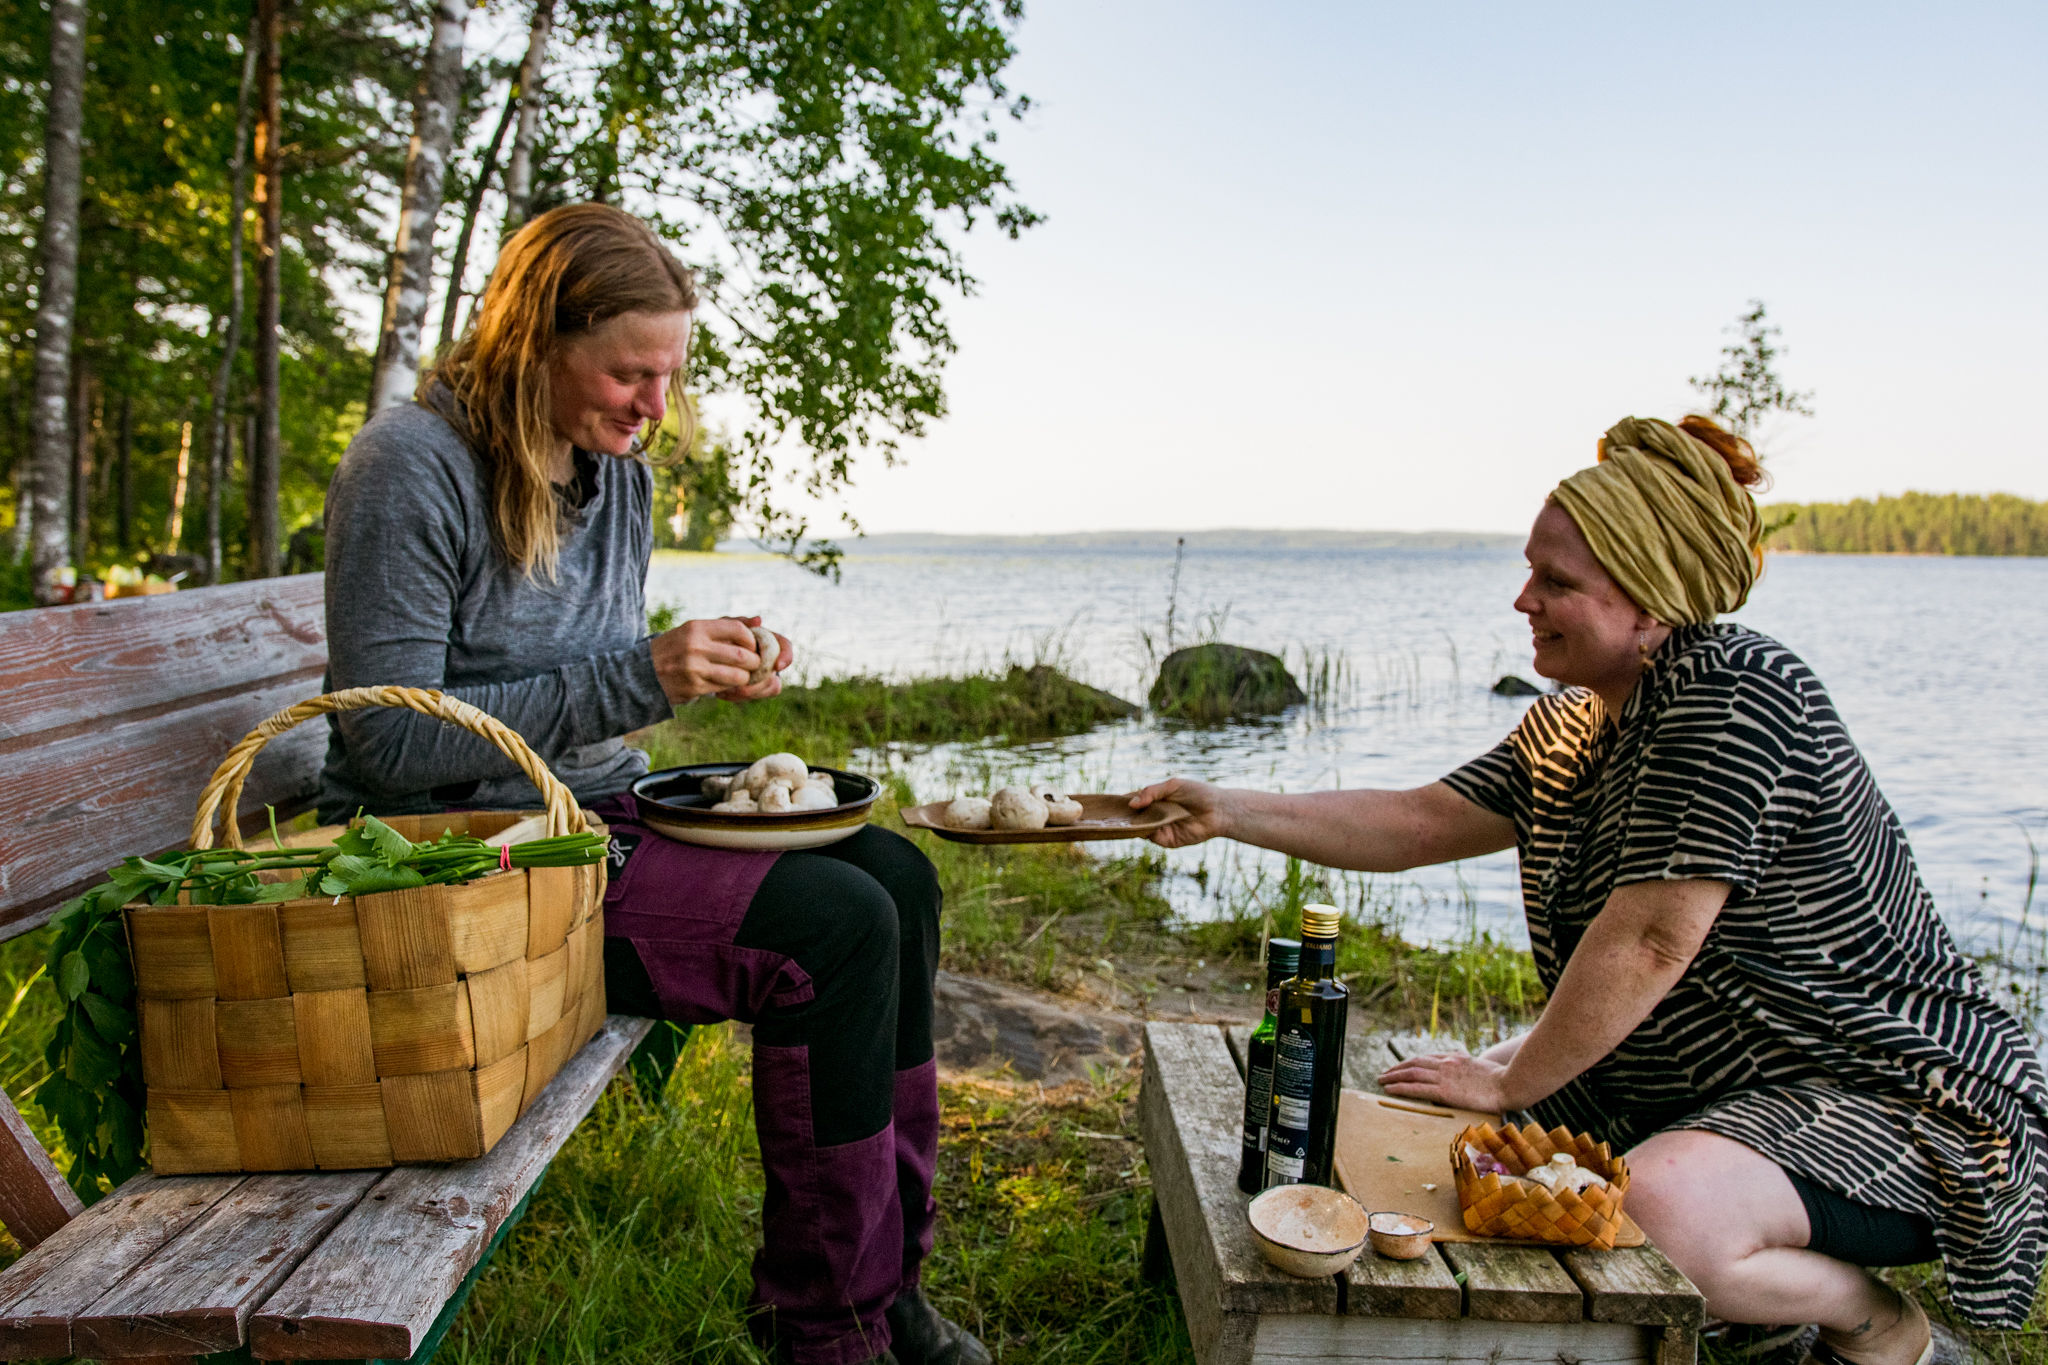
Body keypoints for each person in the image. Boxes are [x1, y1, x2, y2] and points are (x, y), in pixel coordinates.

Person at [1130, 416, 2048, 1362]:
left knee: (1648, 1204)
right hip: (1719, 1090)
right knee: (1459, 1129)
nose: (1523, 598)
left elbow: (1650, 940)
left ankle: (1875, 1325)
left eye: (1557, 581)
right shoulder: (1572, 723)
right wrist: (1227, 809)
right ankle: (1749, 1304)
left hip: (1893, 1097)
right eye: (1532, 571)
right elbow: (1418, 820)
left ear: (1651, 604)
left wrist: (1511, 1080)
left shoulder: (1737, 691)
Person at [318, 203, 986, 1365]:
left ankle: (886, 1289)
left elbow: (590, 695)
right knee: (829, 926)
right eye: (631, 374)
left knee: (896, 878)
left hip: (591, 822)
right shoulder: (407, 468)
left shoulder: (611, 470)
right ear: (535, 343)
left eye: (668, 377)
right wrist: (641, 676)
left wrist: (700, 669)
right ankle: (822, 1333)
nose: (654, 407)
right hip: (451, 861)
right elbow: (386, 747)